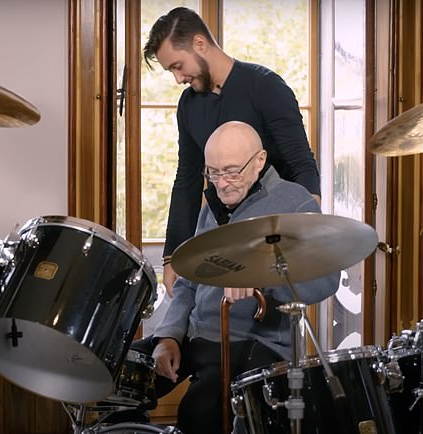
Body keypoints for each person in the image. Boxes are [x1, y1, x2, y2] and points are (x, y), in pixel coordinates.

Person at [131, 121, 339, 434]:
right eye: (212, 172)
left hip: (255, 343)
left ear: (259, 160)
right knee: (118, 377)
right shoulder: (212, 206)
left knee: (198, 413)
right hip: (196, 336)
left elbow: (326, 281)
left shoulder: (296, 203)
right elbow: (188, 280)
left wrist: (260, 276)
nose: (222, 184)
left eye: (231, 171)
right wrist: (169, 335)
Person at [143, 7, 321, 296]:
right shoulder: (188, 105)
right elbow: (187, 179)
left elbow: (301, 164)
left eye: (178, 65)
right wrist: (173, 255)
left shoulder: (266, 87)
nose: (177, 78)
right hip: (219, 233)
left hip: (273, 234)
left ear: (199, 44)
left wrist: (304, 237)